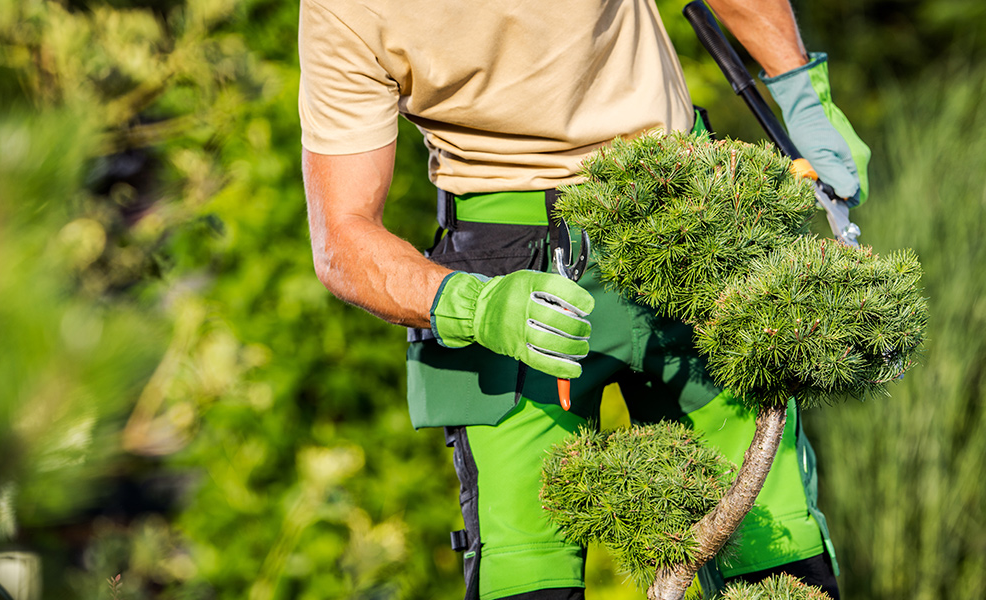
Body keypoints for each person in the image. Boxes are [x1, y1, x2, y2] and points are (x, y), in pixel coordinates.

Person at [298, 1, 870, 598]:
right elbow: (341, 235)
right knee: (523, 573)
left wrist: (802, 92)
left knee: (773, 548)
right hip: (506, 265)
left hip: (686, 217)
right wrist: (473, 307)